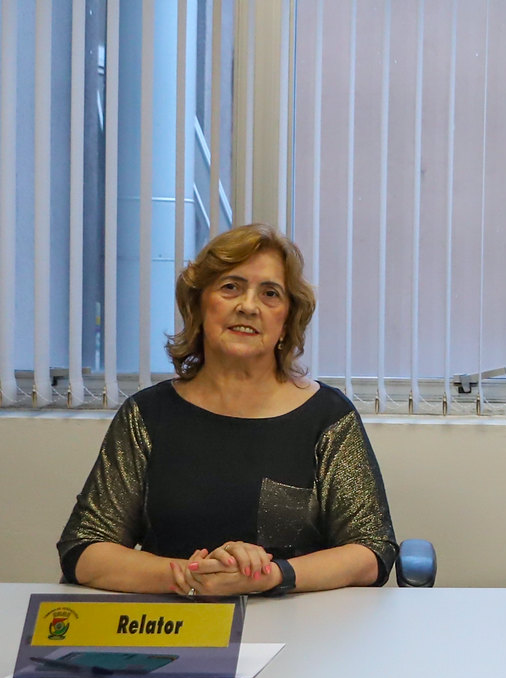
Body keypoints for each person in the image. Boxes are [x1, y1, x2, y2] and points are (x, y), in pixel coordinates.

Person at [57, 223, 397, 596]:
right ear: (199, 306)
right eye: (231, 287)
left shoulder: (327, 416)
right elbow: (85, 549)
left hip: (296, 619)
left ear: (286, 322)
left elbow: (372, 550)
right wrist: (194, 575)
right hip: (175, 619)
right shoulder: (148, 415)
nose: (248, 306)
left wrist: (271, 575)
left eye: (270, 294)